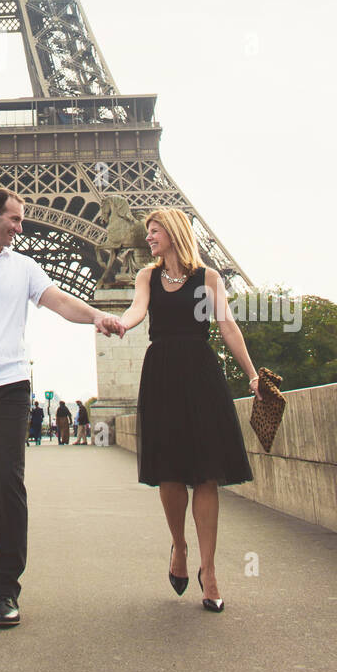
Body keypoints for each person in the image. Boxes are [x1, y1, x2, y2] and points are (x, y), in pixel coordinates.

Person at [0, 187, 121, 628]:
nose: (21, 227)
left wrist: (97, 317)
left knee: (8, 483)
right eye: (14, 219)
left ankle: (6, 588)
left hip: (11, 384)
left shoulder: (25, 267)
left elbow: (61, 302)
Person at [108, 208, 259, 613]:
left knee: (206, 476)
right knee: (170, 475)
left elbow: (227, 325)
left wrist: (252, 374)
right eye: (148, 233)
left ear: (172, 233)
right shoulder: (147, 277)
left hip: (200, 375)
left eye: (154, 232)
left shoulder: (208, 278)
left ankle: (209, 572)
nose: (149, 238)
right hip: (162, 376)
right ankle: (179, 546)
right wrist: (121, 323)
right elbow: (138, 310)